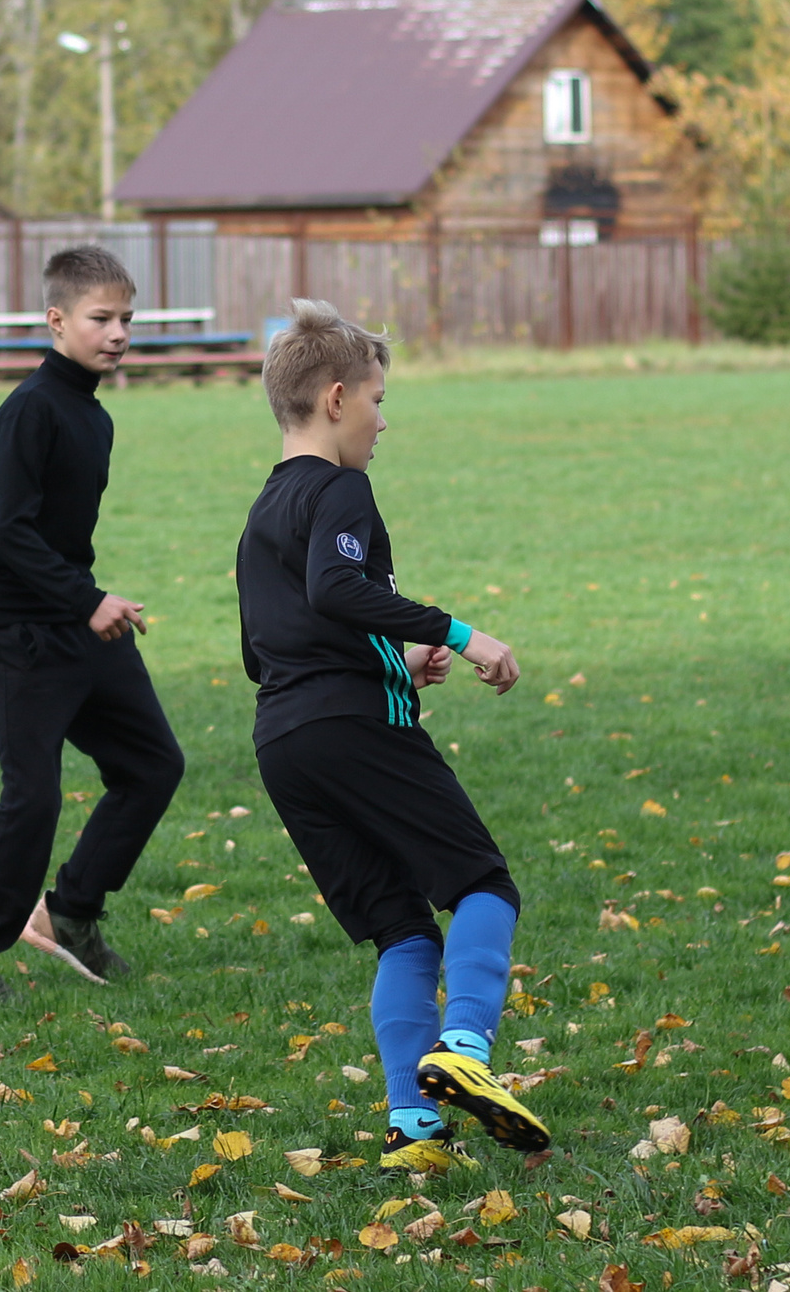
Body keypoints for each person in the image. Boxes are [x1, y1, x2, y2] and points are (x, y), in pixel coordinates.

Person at [237, 300, 548, 1173]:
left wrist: (396, 663)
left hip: (285, 743)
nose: (384, 418)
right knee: (484, 885)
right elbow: (338, 589)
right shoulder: (341, 487)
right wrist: (458, 633)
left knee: (402, 930)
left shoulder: (262, 509)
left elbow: (268, 649)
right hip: (354, 728)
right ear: (336, 399)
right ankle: (465, 1051)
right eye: (377, 398)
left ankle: (415, 1132)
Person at [0, 245, 187, 1005]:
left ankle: (71, 912)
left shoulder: (92, 415)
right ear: (56, 320)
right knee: (32, 797)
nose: (116, 333)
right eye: (100, 318)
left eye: (126, 319)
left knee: (151, 767)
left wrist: (87, 601)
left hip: (77, 612)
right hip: (20, 626)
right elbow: (4, 532)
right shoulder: (29, 411)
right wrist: (87, 600)